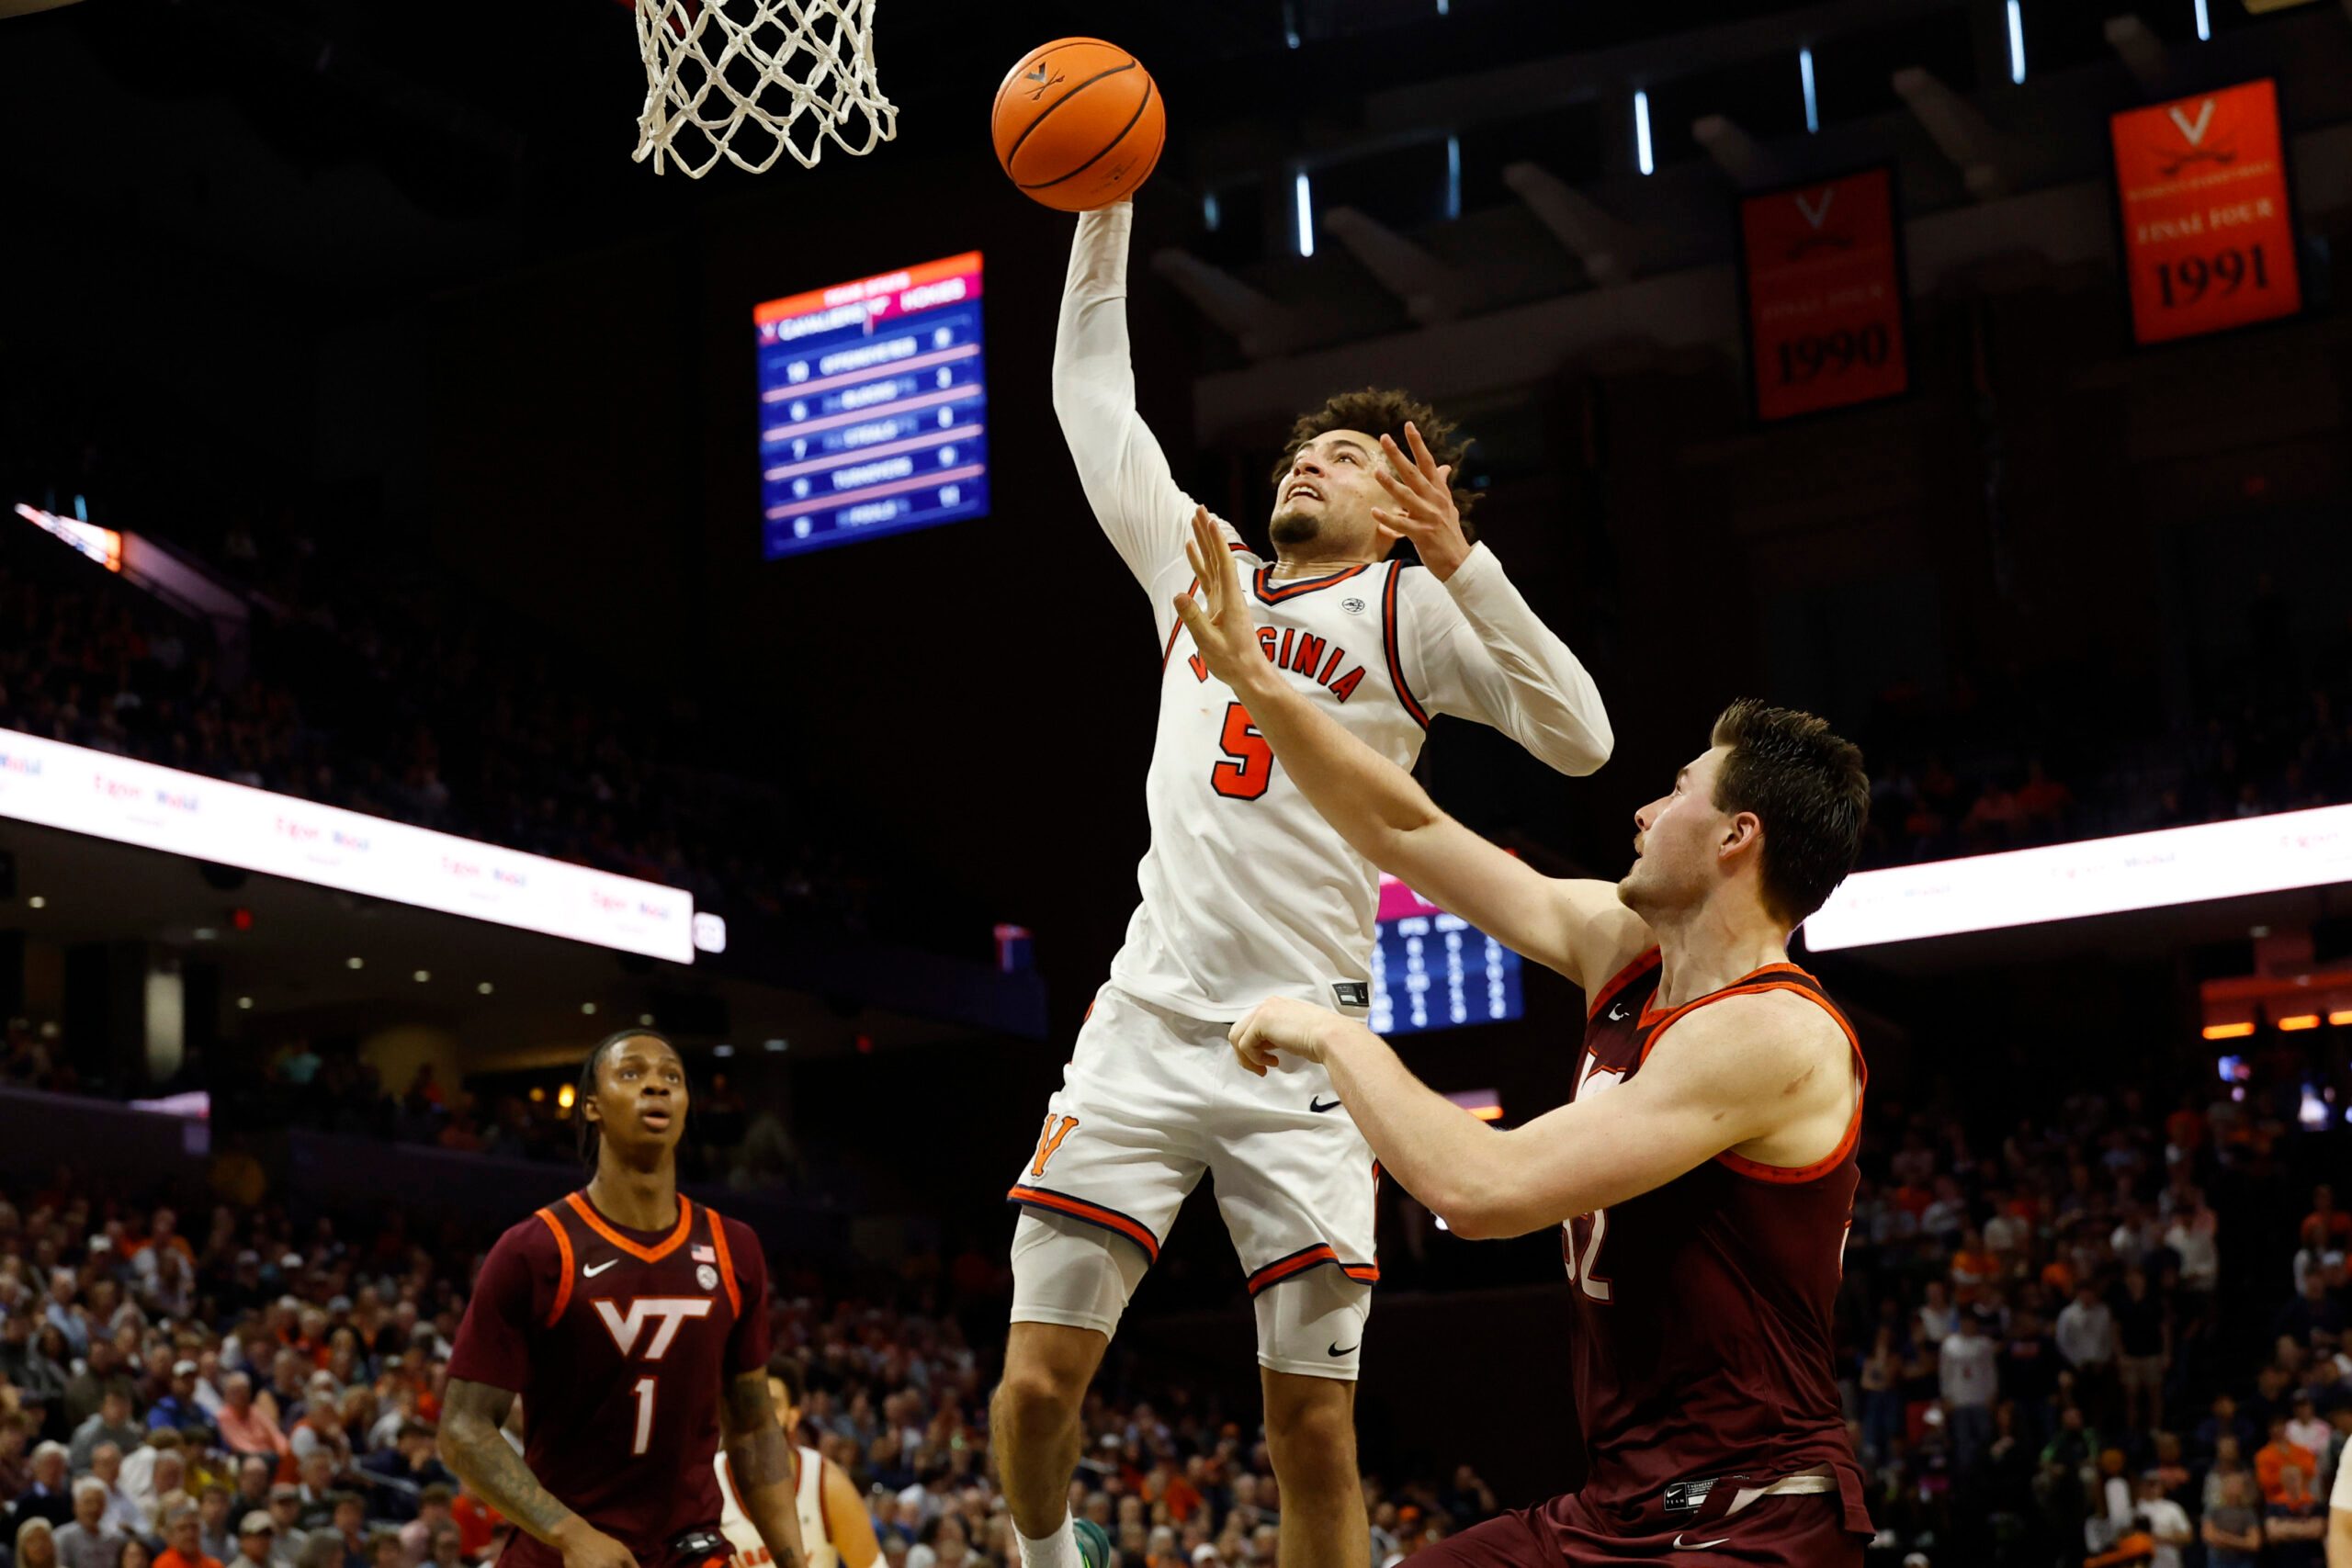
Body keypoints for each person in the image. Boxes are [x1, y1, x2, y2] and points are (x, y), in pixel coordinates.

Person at [996, 199, 1614, 1568]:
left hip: (1313, 1048)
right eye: (1300, 446)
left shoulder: (1412, 612)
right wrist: (1107, 206)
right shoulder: (1195, 562)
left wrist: (1463, 560)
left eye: (1341, 455)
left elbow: (1583, 736)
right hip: (1148, 1021)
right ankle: (1047, 1555)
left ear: (1396, 507)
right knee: (1036, 1384)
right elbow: (1088, 386)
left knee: (1312, 1434)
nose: (1307, 460)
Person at [1177, 520, 1870, 1563]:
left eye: (1676, 789)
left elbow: (1481, 1189)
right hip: (1615, 1509)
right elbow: (1408, 832)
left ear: (1739, 836)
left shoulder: (1773, 1035)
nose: (1642, 810)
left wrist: (1332, 1034)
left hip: (1750, 1522)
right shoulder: (1623, 949)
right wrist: (1258, 684)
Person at [436, 1030, 809, 1568]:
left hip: (690, 1548)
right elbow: (461, 1428)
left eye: (671, 1077)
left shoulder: (735, 1247)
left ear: (684, 1105)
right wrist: (569, 1534)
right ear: (592, 1105)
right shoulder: (535, 1249)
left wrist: (794, 1562)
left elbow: (753, 1427)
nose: (655, 1085)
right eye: (631, 1073)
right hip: (563, 1552)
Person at [716, 1360, 877, 1568]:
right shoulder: (708, 1483)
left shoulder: (826, 1483)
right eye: (748, 1402)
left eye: (771, 1404)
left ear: (792, 1417)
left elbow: (872, 1564)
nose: (757, 1413)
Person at [53, 1482, 122, 1568]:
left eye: (99, 1502)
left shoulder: (114, 1539)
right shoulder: (62, 1537)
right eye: (88, 1502)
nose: (94, 1508)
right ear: (75, 1505)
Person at [2204, 1471, 2262, 1568]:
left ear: (2242, 1488)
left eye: (2236, 1484)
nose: (2233, 1487)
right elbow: (2209, 1536)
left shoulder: (2248, 1512)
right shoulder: (2213, 1509)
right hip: (2218, 1561)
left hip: (2242, 1561)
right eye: (2230, 1484)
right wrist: (2242, 1542)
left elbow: (2254, 1543)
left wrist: (2226, 1538)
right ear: (2223, 1487)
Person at [155, 1506, 224, 1568]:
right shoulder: (163, 1565)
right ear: (170, 1535)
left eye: (194, 1527)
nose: (190, 1533)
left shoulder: (214, 1565)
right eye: (182, 1528)